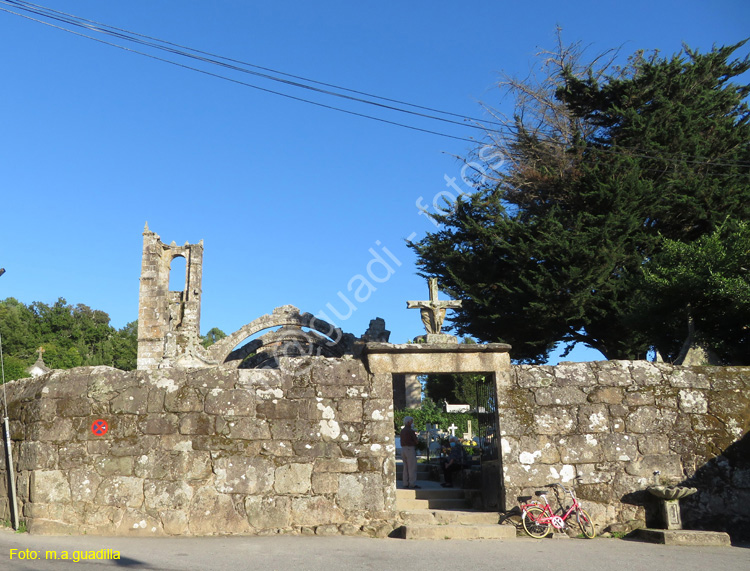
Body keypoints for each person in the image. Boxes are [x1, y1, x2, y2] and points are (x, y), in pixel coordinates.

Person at [399, 416, 420, 489]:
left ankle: (405, 483)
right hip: (410, 448)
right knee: (412, 467)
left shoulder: (403, 430)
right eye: (411, 421)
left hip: (403, 449)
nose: (412, 423)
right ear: (408, 422)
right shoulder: (410, 431)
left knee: (405, 467)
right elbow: (416, 441)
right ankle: (412, 483)